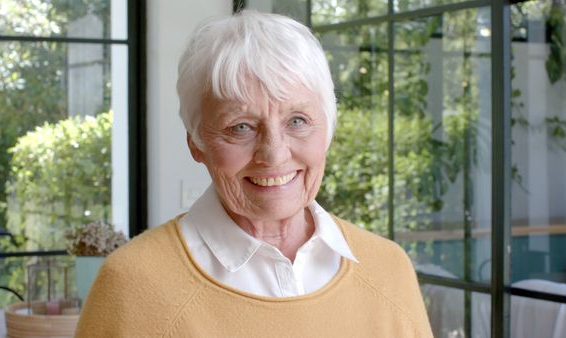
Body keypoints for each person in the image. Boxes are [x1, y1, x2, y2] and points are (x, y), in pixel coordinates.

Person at [75, 10, 433, 337]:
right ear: (196, 143)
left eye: (298, 121)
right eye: (241, 127)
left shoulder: (389, 270)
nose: (274, 154)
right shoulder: (132, 285)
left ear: (328, 131)